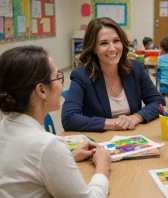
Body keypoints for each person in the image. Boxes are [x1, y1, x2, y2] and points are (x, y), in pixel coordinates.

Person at [0, 45, 111, 197]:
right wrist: (102, 169)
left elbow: (26, 172)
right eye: (58, 77)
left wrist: (67, 158)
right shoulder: (47, 146)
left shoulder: (5, 126)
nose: (61, 85)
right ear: (42, 90)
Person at [62, 17, 165, 132]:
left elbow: (158, 102)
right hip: (99, 143)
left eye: (116, 41)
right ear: (93, 48)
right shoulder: (81, 75)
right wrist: (113, 123)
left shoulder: (136, 68)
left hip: (132, 139)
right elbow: (69, 118)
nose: (112, 48)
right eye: (104, 43)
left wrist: (136, 118)